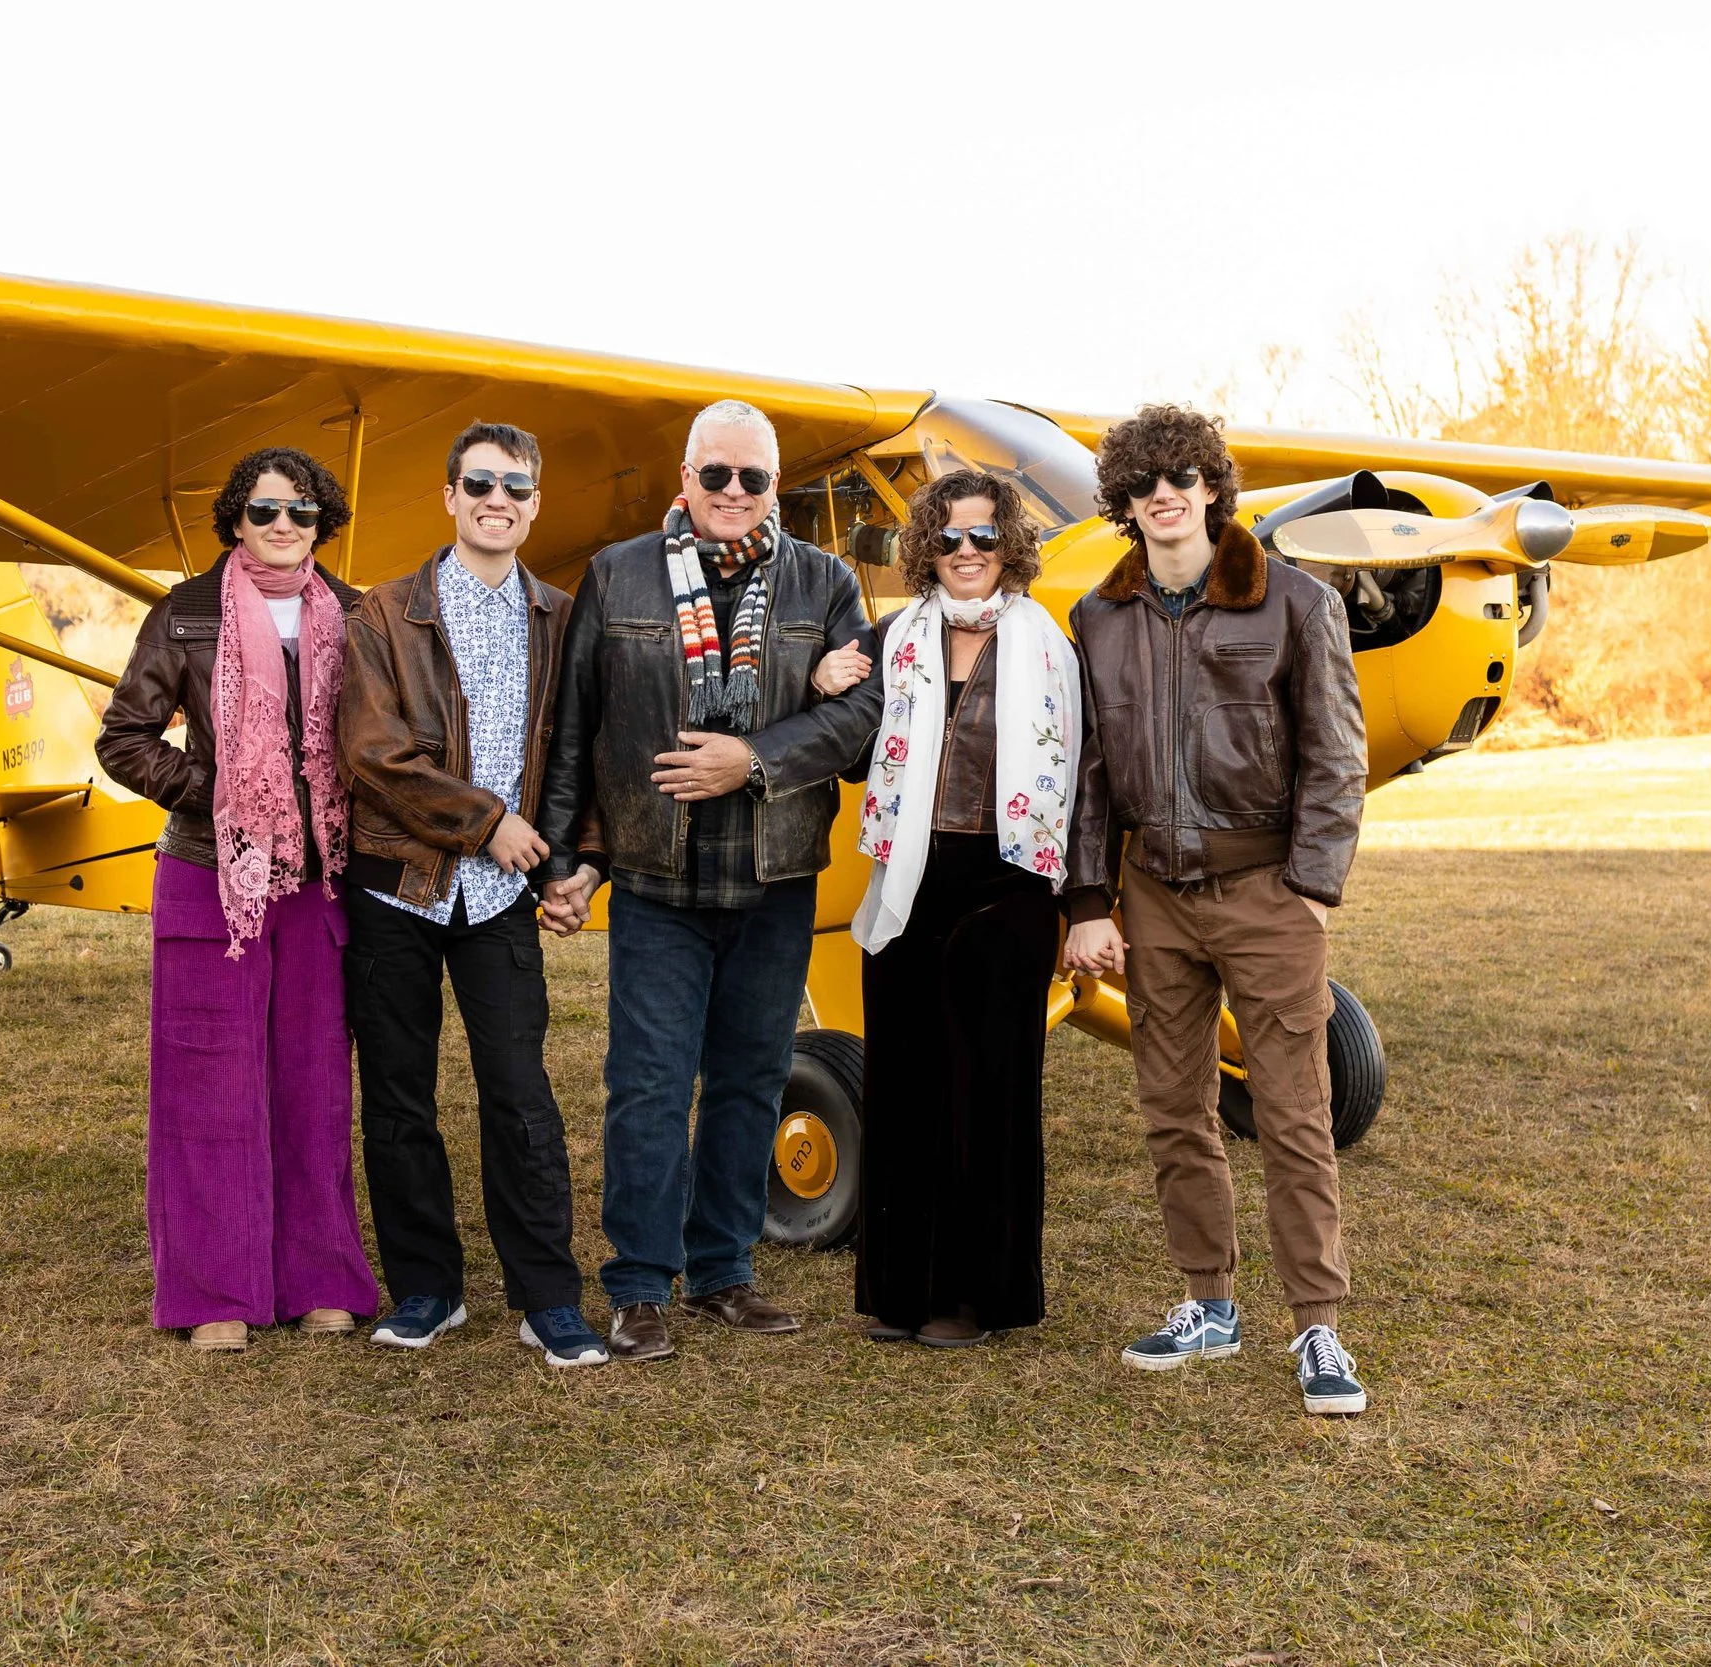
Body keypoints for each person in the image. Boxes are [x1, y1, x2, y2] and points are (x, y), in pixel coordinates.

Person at [535, 399, 882, 1363]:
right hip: (657, 874)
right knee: (646, 1083)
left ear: (777, 486)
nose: (734, 493)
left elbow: (863, 718)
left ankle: (724, 1270)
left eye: (754, 478)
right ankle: (640, 1284)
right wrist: (566, 861)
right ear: (684, 480)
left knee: (750, 1079)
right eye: (716, 475)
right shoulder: (617, 575)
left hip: (775, 879)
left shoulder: (826, 581)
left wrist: (755, 758)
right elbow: (576, 731)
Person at [1059, 405, 1372, 1414]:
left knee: (1291, 1112)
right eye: (1144, 481)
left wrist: (1309, 887)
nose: (1164, 493)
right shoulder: (1098, 620)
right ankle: (1208, 1302)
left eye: (1183, 476)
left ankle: (1317, 1326)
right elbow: (1093, 775)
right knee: (1171, 1108)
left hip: (1264, 887)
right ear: (1124, 500)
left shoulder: (1294, 603)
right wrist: (1087, 900)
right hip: (1152, 895)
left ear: (1210, 488)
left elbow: (1335, 756)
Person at [335, 421, 608, 1368]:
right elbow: (372, 756)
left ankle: (547, 1295)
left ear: (534, 506)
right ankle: (427, 1287)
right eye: (480, 484)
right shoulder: (381, 614)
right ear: (449, 496)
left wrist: (580, 864)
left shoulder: (563, 617)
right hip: (397, 888)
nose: (499, 500)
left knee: (521, 1094)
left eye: (517, 488)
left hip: (500, 902)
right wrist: (489, 823)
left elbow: (588, 757)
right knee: (400, 1099)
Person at [94, 446, 379, 1352]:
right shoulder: (182, 614)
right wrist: (220, 795)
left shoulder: (360, 616)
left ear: (322, 520)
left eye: (301, 510)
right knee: (207, 1084)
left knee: (315, 1081)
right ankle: (215, 1290)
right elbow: (125, 738)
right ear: (235, 519)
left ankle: (323, 1278)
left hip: (319, 877)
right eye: (264, 510)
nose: (283, 525)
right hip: (212, 872)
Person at [844, 471, 1080, 1347]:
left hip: (1009, 882)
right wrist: (828, 675)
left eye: (983, 536)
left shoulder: (1048, 645)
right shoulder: (892, 637)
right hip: (909, 875)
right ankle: (900, 1291)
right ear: (926, 549)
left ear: (1008, 544)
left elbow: (1080, 770)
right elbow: (843, 745)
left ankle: (978, 1295)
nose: (966, 552)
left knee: (991, 1091)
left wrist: (1083, 897)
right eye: (948, 538)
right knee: (904, 1080)